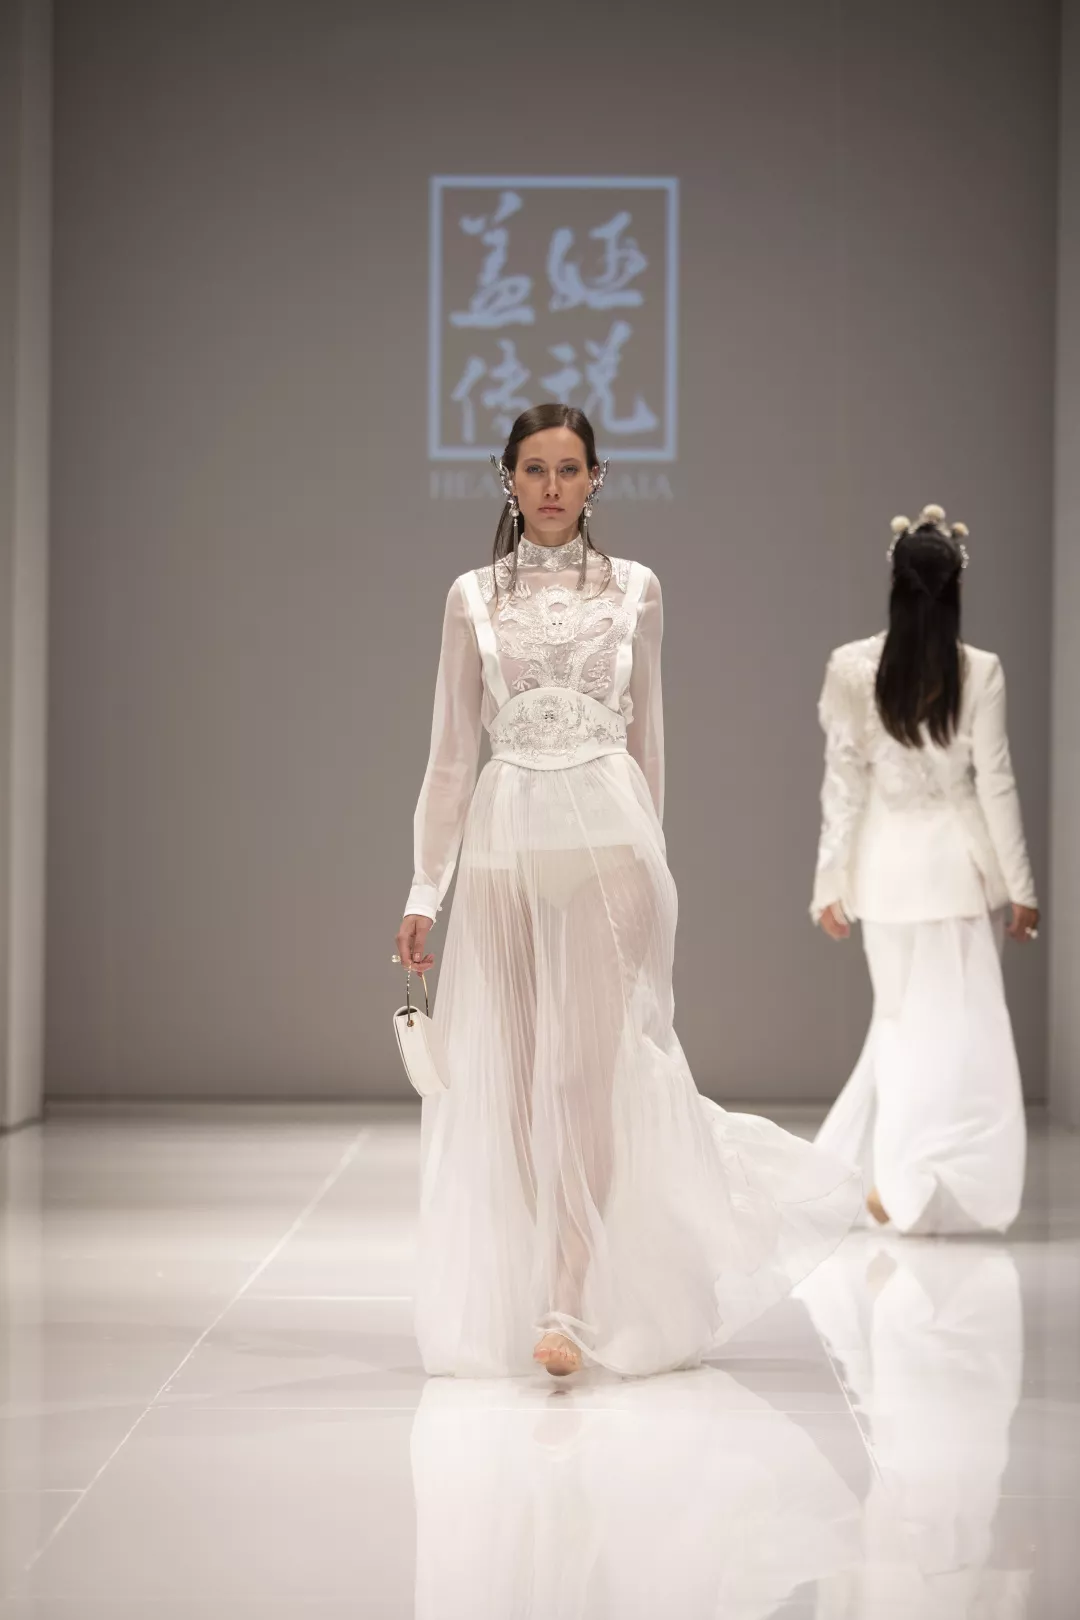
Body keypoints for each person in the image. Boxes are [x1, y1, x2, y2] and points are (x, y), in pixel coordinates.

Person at [397, 403, 859, 1379]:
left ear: (596, 479)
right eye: (535, 468)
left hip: (611, 841)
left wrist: (657, 861)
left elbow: (649, 742)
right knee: (516, 1083)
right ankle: (551, 1258)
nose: (552, 486)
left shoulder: (637, 590)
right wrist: (423, 890)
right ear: (508, 478)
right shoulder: (470, 597)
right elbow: (449, 758)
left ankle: (567, 1292)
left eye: (569, 469)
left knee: (587, 1076)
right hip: (505, 844)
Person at [811, 504, 1039, 1235]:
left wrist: (830, 883)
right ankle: (906, 1178)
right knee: (957, 1036)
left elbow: (843, 786)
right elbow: (994, 784)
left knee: (899, 1023)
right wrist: (1022, 889)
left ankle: (892, 1176)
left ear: (894, 583)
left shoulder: (852, 667)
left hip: (883, 877)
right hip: (957, 878)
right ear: (955, 589)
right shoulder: (980, 670)